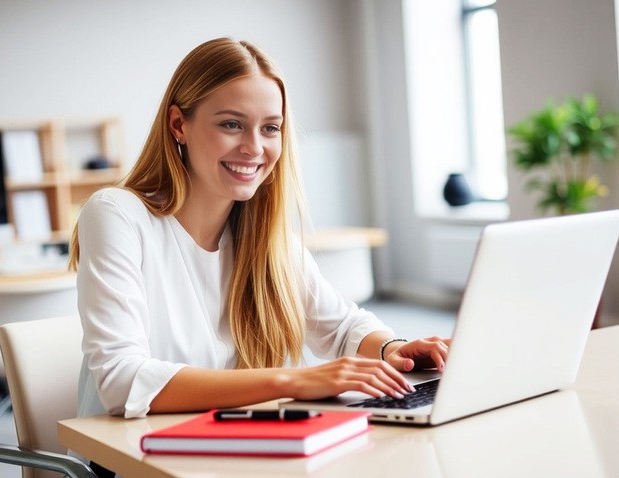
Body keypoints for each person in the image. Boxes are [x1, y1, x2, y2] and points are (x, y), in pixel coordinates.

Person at [68, 37, 450, 421]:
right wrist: (293, 381)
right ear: (178, 124)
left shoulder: (263, 236)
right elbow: (122, 381)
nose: (254, 148)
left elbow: (343, 326)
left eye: (270, 128)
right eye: (232, 124)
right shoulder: (117, 214)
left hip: (227, 445)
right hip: (128, 457)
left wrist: (392, 348)